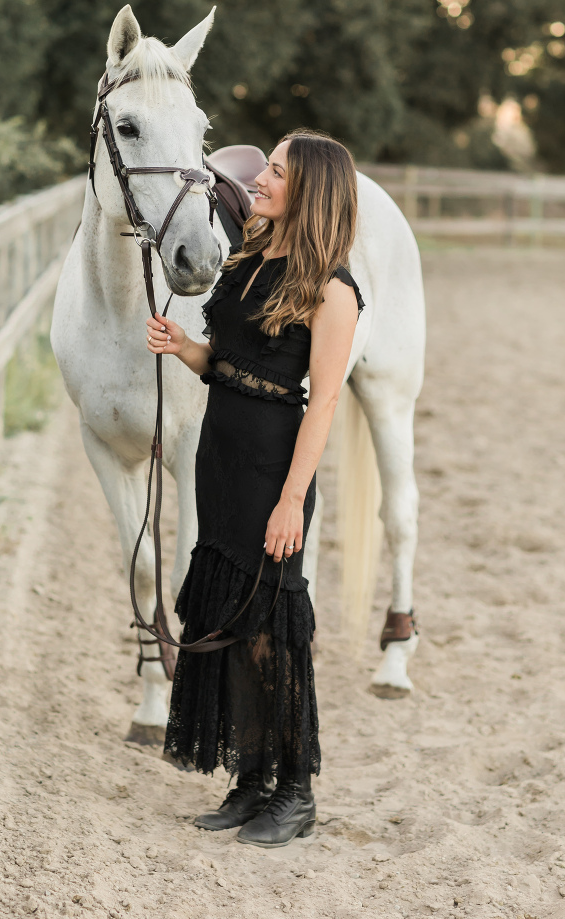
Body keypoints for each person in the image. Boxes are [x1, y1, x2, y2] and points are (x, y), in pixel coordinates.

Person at [144, 130, 364, 848]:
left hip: (273, 467)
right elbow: (232, 364)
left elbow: (322, 401)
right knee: (232, 619)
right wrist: (186, 350)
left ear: (310, 190)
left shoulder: (331, 289)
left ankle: (295, 791)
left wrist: (292, 498)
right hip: (219, 455)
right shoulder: (248, 256)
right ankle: (251, 775)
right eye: (267, 166)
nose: (258, 178)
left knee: (272, 626)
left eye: (274, 170)